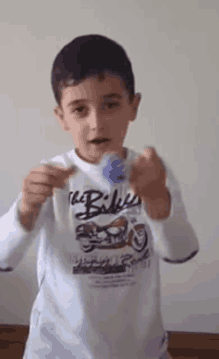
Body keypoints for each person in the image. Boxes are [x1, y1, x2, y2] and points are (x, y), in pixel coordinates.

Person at [0, 34, 199, 359]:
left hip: (140, 348)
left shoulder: (149, 172)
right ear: (61, 117)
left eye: (111, 104)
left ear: (133, 107)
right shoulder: (51, 176)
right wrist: (25, 211)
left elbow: (181, 251)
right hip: (57, 349)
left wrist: (157, 202)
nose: (97, 123)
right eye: (80, 109)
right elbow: (3, 257)